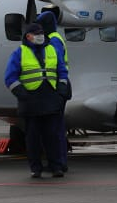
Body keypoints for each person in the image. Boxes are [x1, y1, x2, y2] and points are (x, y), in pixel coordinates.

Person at [4, 21, 70, 178]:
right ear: (28, 36)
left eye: (41, 34)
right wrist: (22, 94)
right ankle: (36, 168)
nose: (40, 36)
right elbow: (10, 77)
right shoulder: (19, 53)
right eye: (37, 34)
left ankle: (56, 167)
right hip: (31, 102)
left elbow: (62, 71)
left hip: (50, 99)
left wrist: (61, 90)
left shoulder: (52, 49)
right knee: (33, 138)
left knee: (52, 136)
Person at [37, 7, 70, 173]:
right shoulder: (53, 37)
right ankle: (57, 161)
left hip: (56, 88)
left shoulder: (53, 40)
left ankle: (60, 162)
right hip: (55, 87)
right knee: (54, 127)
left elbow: (56, 65)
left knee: (55, 128)